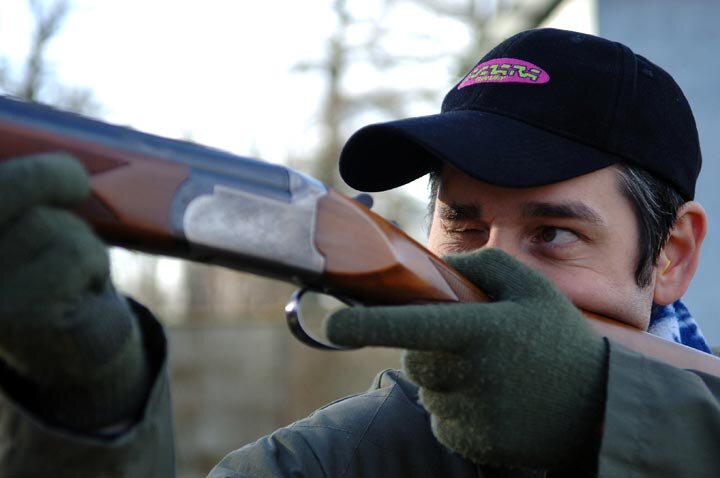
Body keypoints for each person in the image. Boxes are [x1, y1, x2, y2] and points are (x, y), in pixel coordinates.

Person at [0, 28, 718, 477]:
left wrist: (607, 419)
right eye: (463, 225)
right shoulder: (326, 461)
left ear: (672, 255)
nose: (491, 269)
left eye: (553, 234)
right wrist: (90, 415)